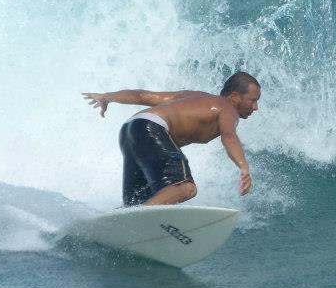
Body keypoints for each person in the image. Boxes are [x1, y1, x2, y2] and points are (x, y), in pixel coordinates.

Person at [82, 72, 260, 206]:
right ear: (235, 96)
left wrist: (108, 97)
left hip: (131, 128)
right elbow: (229, 137)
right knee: (185, 188)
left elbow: (143, 96)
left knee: (138, 202)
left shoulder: (193, 97)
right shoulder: (227, 108)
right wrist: (244, 167)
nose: (256, 107)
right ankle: (137, 219)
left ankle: (125, 223)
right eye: (252, 100)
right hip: (152, 129)